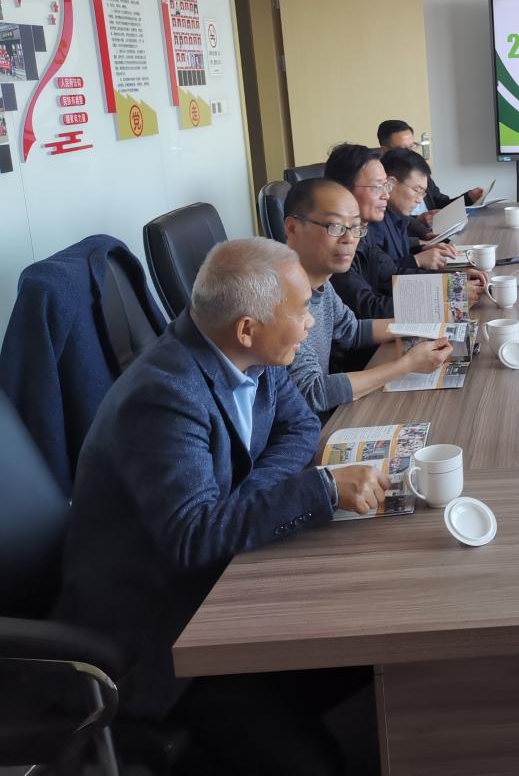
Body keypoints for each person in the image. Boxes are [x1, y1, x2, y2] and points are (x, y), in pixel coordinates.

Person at [53, 239, 390, 774]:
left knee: (383, 649)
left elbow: (300, 426)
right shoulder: (163, 397)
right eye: (301, 311)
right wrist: (321, 490)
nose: (310, 324)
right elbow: (193, 535)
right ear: (247, 327)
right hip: (165, 636)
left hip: (228, 583)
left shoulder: (254, 354)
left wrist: (247, 501)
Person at [283, 177, 453, 416]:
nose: (349, 239)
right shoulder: (281, 297)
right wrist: (407, 365)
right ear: (292, 228)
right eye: (335, 227)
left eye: (355, 227)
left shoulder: (320, 281)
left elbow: (352, 331)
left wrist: (429, 324)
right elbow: (313, 393)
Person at [324, 143, 485, 320]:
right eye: (377, 187)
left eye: (386, 186)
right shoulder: (332, 244)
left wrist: (453, 281)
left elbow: (392, 276)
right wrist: (447, 301)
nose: (386, 195)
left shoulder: (362, 232)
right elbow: (368, 309)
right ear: (343, 191)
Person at [377, 119, 483, 212]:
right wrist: (420, 220)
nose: (411, 153)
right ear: (384, 150)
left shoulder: (419, 172)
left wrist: (469, 197)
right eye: (403, 149)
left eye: (412, 146)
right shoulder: (380, 182)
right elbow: (389, 218)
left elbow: (441, 204)